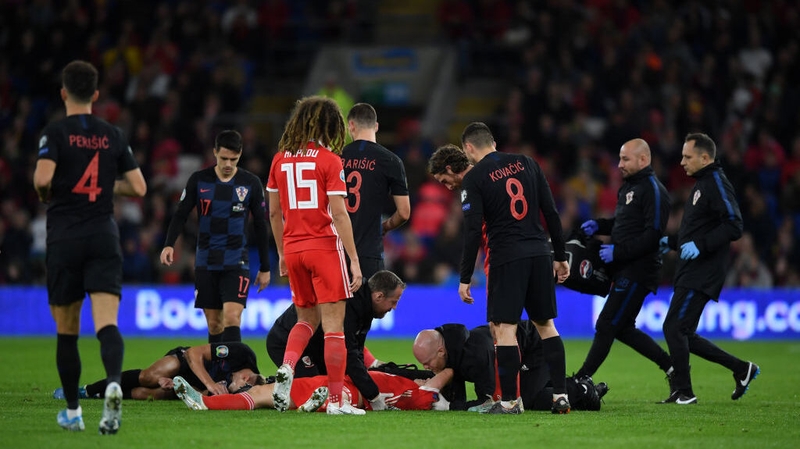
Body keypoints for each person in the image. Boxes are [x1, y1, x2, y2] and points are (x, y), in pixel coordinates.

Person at [33, 60, 147, 434]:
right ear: (96, 95)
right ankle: (114, 380)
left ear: (64, 93)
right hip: (103, 235)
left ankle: (72, 412)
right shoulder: (112, 134)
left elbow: (43, 180)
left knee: (67, 330)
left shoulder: (55, 132)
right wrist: (103, 187)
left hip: (65, 236)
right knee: (107, 323)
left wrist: (51, 190)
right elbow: (140, 187)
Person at [457, 122, 571, 414]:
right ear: (493, 141)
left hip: (507, 257)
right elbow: (551, 212)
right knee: (546, 326)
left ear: (469, 148)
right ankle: (561, 395)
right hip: (539, 252)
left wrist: (465, 276)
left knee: (505, 329)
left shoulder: (475, 178)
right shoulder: (528, 163)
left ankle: (509, 402)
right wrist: (560, 254)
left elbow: (472, 232)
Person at [266, 96, 363, 415]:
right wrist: (353, 258)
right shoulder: (329, 161)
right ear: (330, 125)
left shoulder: (280, 159)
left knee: (305, 319)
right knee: (334, 327)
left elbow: (274, 213)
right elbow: (339, 213)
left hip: (293, 249)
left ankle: (288, 365)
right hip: (323, 247)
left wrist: (281, 252)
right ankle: (336, 401)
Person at [659, 133, 759, 405]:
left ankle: (684, 391)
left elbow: (734, 224)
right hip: (692, 268)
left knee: (673, 327)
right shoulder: (703, 183)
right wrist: (669, 242)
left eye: (687, 156)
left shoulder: (715, 182)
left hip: (702, 270)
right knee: (684, 333)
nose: (681, 162)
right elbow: (695, 230)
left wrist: (701, 246)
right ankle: (741, 369)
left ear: (705, 157)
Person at [574, 139, 674, 387]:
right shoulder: (629, 187)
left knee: (607, 323)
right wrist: (600, 225)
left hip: (639, 270)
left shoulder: (654, 190)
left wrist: (618, 252)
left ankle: (582, 376)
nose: (619, 165)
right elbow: (623, 227)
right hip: (625, 267)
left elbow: (652, 236)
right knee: (623, 327)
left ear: (643, 160)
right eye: (619, 158)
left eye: (625, 159)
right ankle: (672, 366)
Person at [161, 130, 271, 343]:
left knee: (232, 317)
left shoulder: (251, 183)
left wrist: (265, 267)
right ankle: (219, 372)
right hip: (206, 261)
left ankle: (235, 373)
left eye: (233, 159)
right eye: (223, 158)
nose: (228, 164)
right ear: (214, 153)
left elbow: (260, 225)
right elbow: (181, 214)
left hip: (236, 261)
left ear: (240, 155)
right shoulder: (199, 180)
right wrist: (169, 244)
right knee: (214, 324)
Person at [266, 270, 405, 410]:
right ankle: (262, 391)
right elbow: (349, 355)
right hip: (284, 340)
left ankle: (274, 383)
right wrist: (373, 396)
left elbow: (357, 352)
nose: (394, 308)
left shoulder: (365, 306)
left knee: (331, 383)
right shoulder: (351, 304)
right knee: (313, 386)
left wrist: (366, 385)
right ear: (379, 296)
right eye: (394, 302)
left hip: (315, 345)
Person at [412, 321, 608, 412]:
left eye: (427, 362)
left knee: (527, 400)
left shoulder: (475, 356)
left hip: (533, 348)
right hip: (518, 352)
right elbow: (458, 398)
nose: (426, 367)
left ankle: (584, 390)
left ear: (440, 351)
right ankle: (570, 384)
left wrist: (449, 406)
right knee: (529, 390)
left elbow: (488, 403)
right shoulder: (451, 352)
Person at [52, 342, 264, 401]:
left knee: (146, 393)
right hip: (184, 362)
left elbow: (205, 397)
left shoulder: (238, 387)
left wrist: (183, 387)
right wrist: (210, 384)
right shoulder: (241, 353)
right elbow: (193, 354)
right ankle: (87, 390)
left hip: (192, 382)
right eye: (235, 388)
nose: (230, 391)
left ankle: (101, 395)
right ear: (244, 377)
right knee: (149, 377)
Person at [342, 103, 410, 280]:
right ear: (376, 126)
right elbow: (404, 213)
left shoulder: (336, 157)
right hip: (369, 252)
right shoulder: (391, 160)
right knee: (370, 306)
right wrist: (385, 226)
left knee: (337, 308)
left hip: (337, 251)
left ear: (351, 126)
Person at [172, 369, 451, 412]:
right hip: (338, 384)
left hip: (340, 387)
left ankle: (207, 404)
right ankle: (314, 406)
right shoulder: (407, 389)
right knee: (267, 394)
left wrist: (449, 369)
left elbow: (441, 382)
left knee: (263, 394)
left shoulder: (416, 395)